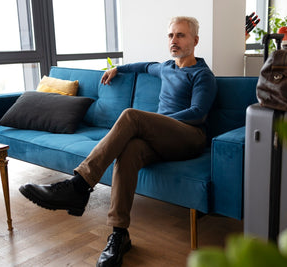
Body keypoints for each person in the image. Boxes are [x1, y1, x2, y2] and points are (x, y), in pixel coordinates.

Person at [19, 16, 217, 267]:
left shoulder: (202, 75)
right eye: (170, 35)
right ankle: (119, 234)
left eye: (181, 35)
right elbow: (143, 66)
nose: (174, 40)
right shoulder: (166, 67)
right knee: (130, 150)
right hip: (161, 138)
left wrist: (155, 122)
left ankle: (79, 185)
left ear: (195, 40)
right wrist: (118, 69)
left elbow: (198, 113)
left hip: (189, 137)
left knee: (132, 116)